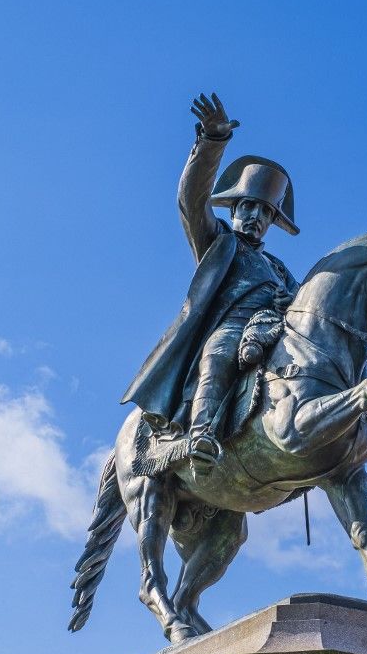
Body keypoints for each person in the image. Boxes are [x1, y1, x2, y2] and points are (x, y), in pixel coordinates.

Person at [122, 92, 299, 469]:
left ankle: (349, 462)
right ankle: (200, 435)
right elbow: (191, 197)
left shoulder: (280, 269)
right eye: (247, 206)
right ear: (234, 210)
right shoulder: (218, 241)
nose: (254, 216)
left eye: (265, 211)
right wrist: (212, 140)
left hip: (275, 334)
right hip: (230, 328)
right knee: (217, 355)